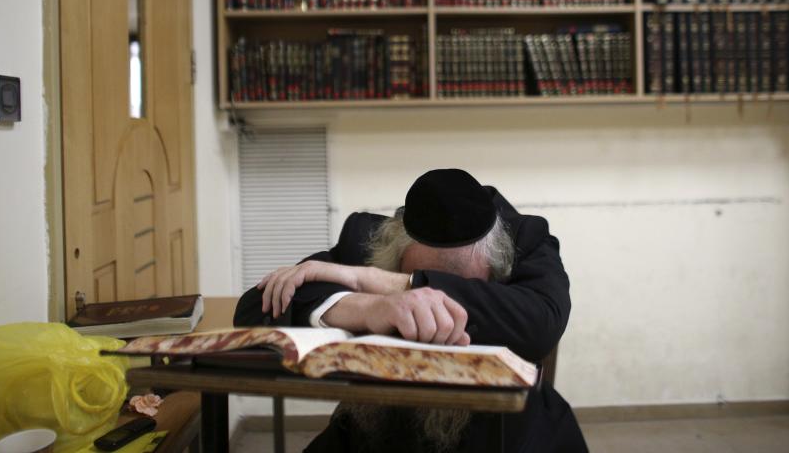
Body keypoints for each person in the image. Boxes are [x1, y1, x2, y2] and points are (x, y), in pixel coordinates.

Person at [235, 168, 587, 453]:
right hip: (381, 431)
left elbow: (541, 321)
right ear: (396, 251)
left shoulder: (526, 238)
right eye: (414, 275)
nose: (432, 314)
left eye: (462, 286)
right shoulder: (369, 236)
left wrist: (388, 282)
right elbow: (255, 307)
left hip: (502, 435)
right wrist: (366, 307)